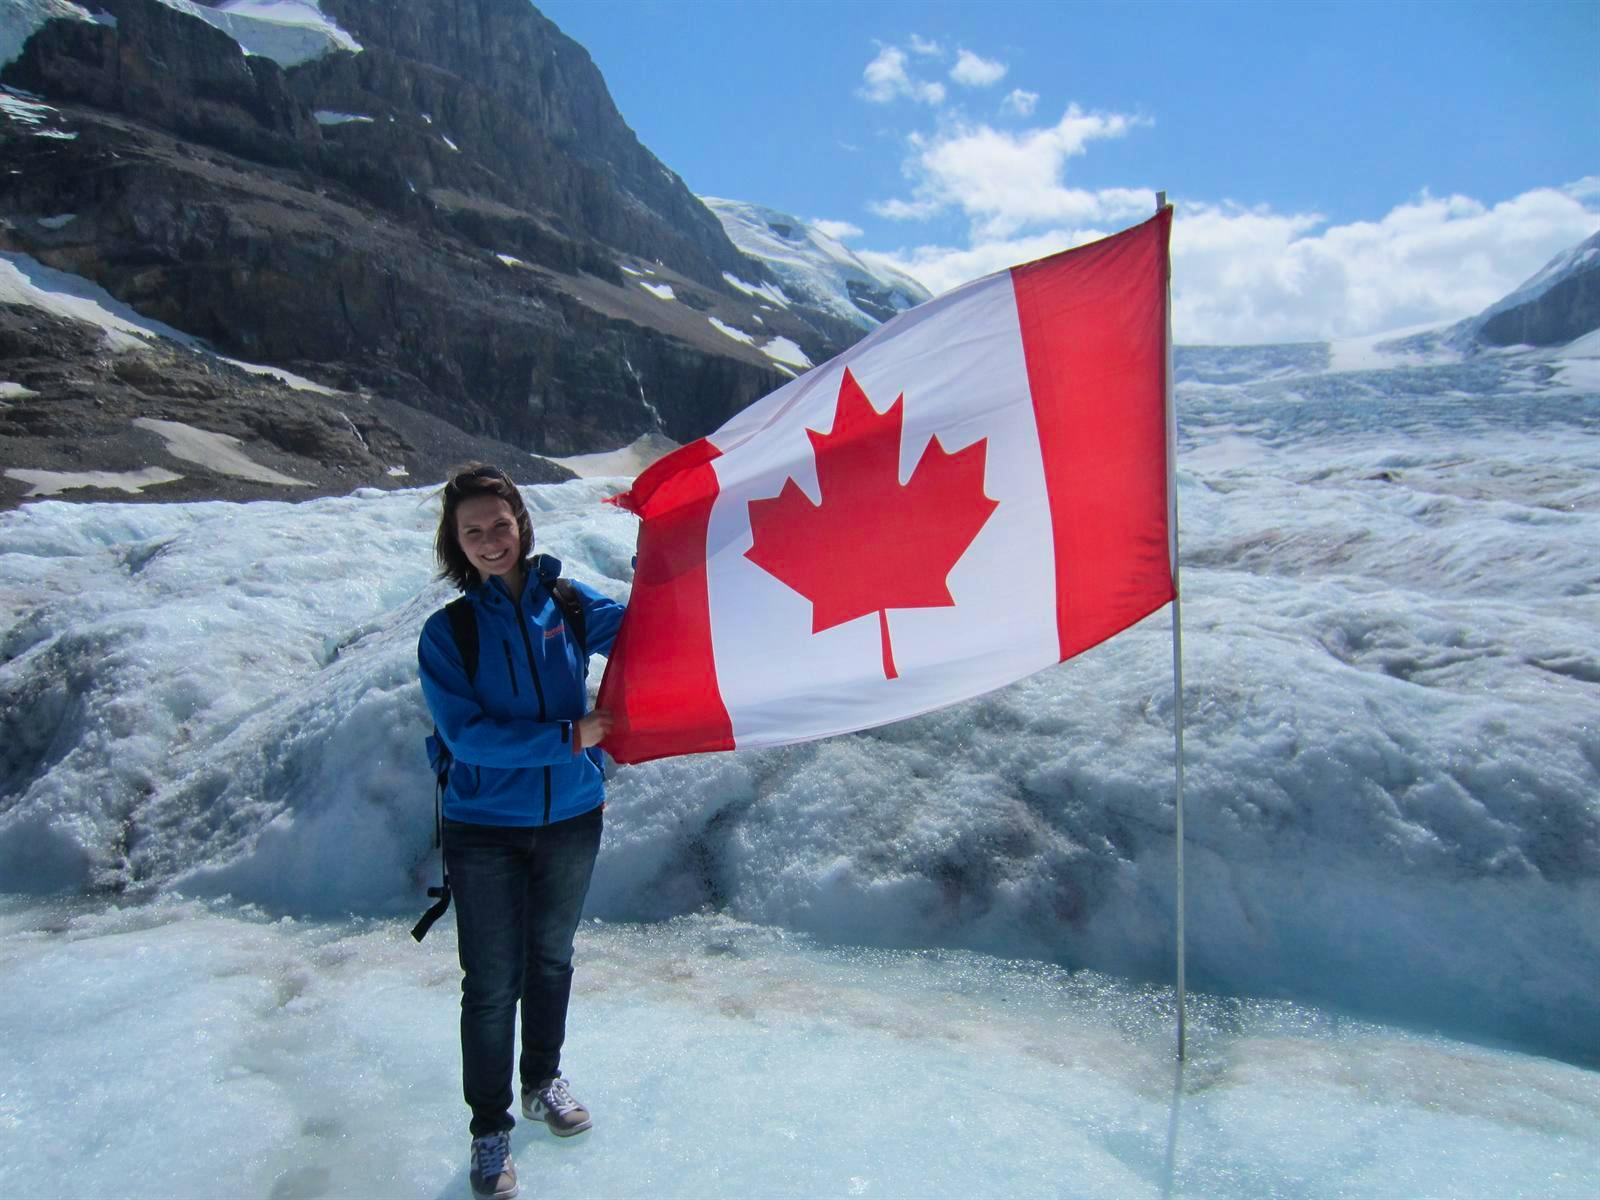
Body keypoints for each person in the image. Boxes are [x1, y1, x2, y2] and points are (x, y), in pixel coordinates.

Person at [418, 464, 625, 1200]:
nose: (489, 541)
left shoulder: (565, 603)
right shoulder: (450, 633)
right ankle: (491, 1130)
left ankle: (541, 1081)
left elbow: (643, 628)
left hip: (572, 814)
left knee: (550, 959)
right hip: (485, 829)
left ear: (520, 525)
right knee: (491, 983)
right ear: (456, 541)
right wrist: (570, 736)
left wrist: (681, 556)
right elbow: (468, 737)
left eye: (499, 526)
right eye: (472, 531)